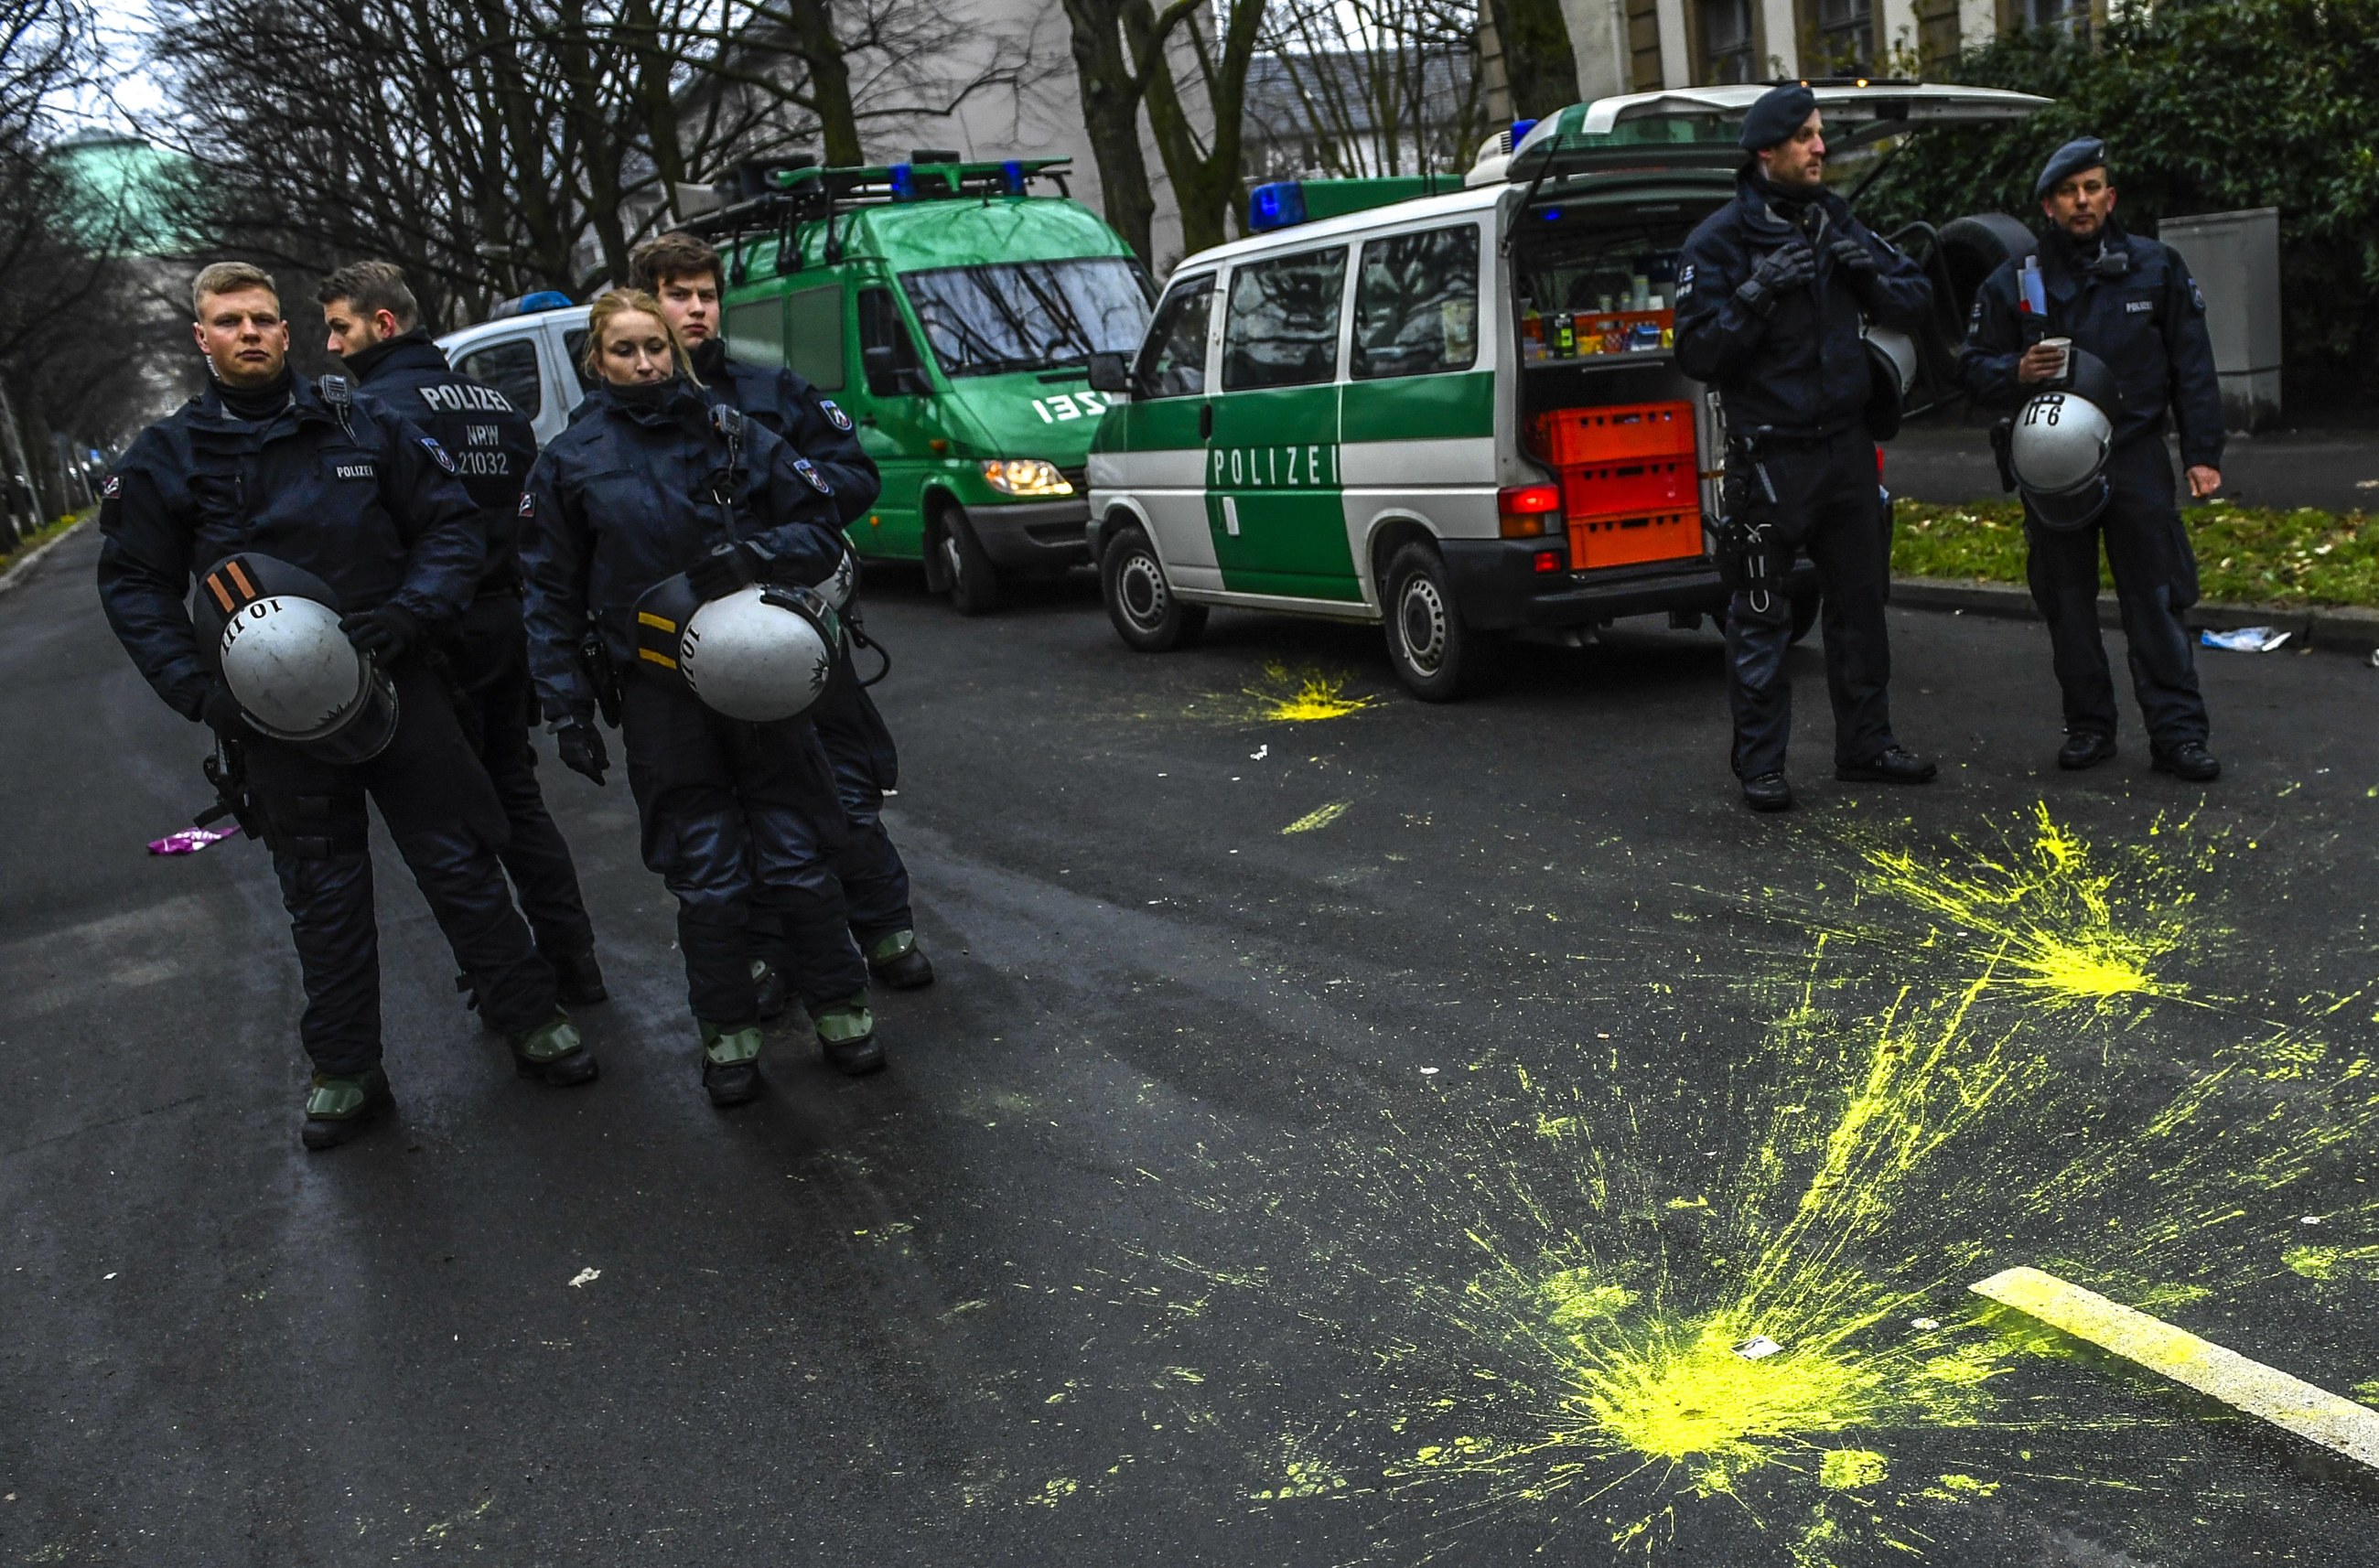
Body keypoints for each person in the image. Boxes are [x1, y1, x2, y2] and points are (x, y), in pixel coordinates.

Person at [96, 262, 594, 1150]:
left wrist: (413, 612)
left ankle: (529, 1017)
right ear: (200, 336)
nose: (248, 332)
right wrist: (197, 690)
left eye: (261, 318)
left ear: (284, 331)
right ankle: (346, 1068)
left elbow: (448, 525)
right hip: (271, 717)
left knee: (461, 860)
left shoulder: (363, 420)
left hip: (398, 680)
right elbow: (134, 583)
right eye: (227, 320)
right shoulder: (169, 456)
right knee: (321, 892)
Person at [520, 289, 883, 1107]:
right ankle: (729, 1039)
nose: (645, 363)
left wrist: (753, 555)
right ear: (596, 359)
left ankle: (842, 1011)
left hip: (766, 679)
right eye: (625, 350)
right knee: (707, 878)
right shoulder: (571, 460)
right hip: (659, 697)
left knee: (799, 858)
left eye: (656, 347)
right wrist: (566, 705)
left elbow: (823, 523)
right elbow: (547, 592)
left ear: (674, 353)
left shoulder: (732, 434)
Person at [629, 231, 933, 993]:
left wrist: (773, 526)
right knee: (728, 816)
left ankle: (885, 928)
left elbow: (853, 479)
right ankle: (765, 956)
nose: (695, 309)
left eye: (705, 294)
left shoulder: (770, 391)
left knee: (840, 788)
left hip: (795, 625)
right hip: (693, 649)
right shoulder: (616, 420)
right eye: (677, 294)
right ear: (644, 302)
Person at [318, 261, 607, 1007]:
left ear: (382, 324)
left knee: (455, 814)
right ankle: (574, 957)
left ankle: (504, 971)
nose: (330, 346)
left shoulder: (372, 412)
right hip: (507, 618)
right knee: (517, 791)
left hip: (431, 629)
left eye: (340, 327)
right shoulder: (491, 399)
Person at [1674, 82, 1938, 813]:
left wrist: (1865, 272)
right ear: (1767, 152)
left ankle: (1868, 746)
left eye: (1820, 135)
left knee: (1861, 606)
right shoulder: (1718, 243)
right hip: (1772, 459)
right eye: (1806, 138)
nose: (1822, 148)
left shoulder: (1835, 221)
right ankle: (1761, 765)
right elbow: (1697, 352)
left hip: (1847, 450)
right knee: (1761, 612)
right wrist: (1756, 294)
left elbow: (1916, 301)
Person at [1956, 138, 2223, 782]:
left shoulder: (2156, 268)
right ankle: (2089, 728)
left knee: (2155, 602)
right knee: (2068, 605)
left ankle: (2178, 736)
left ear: (2111, 196)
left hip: (2134, 457)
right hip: (2053, 470)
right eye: (2070, 191)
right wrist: (2014, 369)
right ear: (2048, 204)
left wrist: (2203, 453)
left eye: (2094, 187)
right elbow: (1970, 370)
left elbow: (2193, 365)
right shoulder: (2015, 282)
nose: (2084, 201)